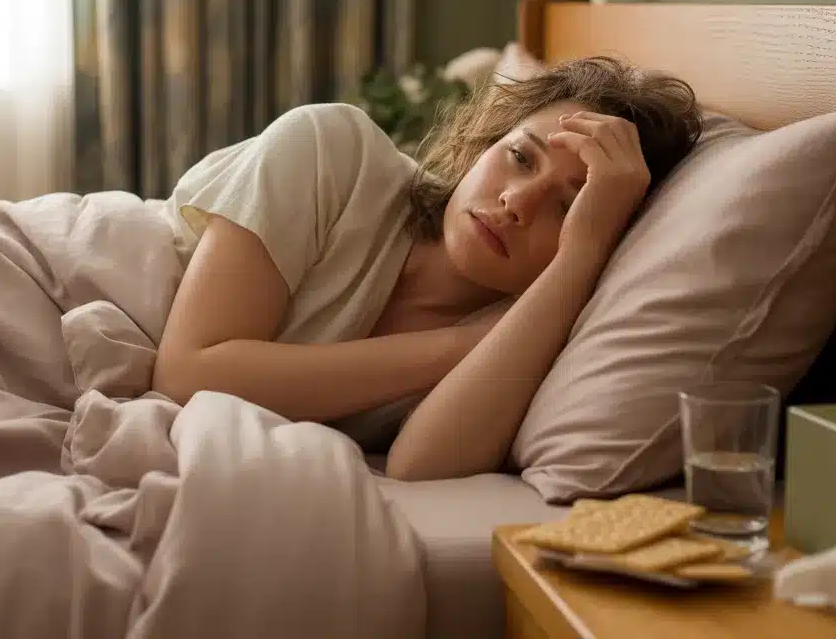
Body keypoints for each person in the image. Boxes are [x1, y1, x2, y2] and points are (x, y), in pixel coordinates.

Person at [151, 55, 702, 482]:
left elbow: (420, 467)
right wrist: (469, 346)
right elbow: (185, 376)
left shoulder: (530, 331)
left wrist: (580, 256)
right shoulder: (334, 151)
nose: (517, 203)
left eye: (567, 205)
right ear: (483, 143)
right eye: (520, 157)